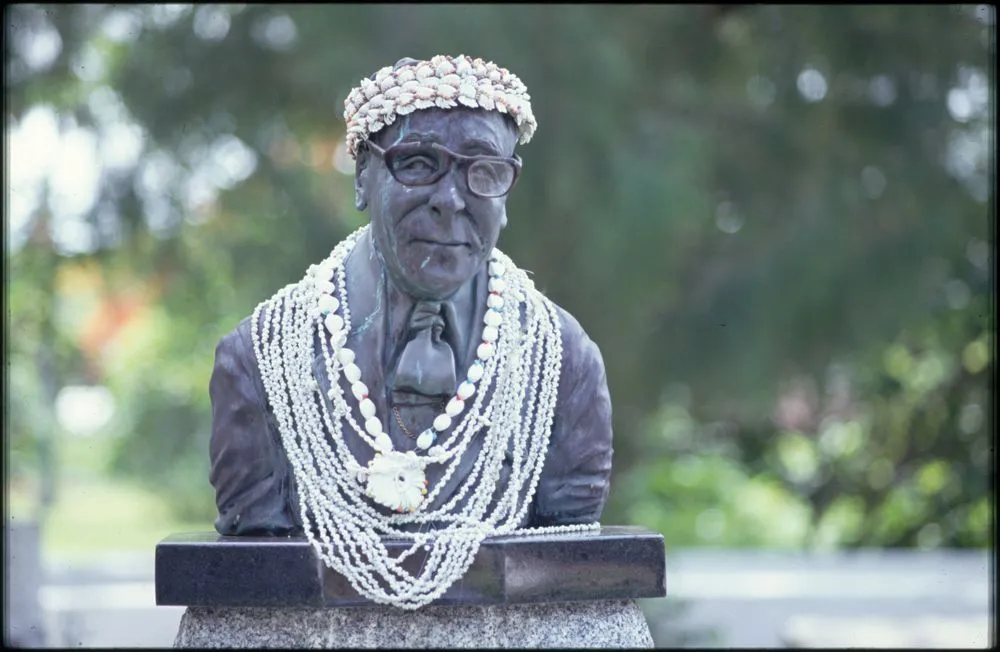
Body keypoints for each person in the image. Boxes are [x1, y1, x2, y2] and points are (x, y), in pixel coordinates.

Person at [207, 55, 613, 608]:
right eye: (419, 164)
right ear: (363, 177)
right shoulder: (260, 363)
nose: (449, 201)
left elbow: (570, 560)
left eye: (483, 171)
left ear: (506, 191)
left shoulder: (563, 364)